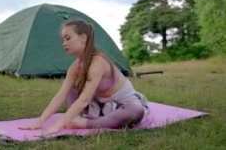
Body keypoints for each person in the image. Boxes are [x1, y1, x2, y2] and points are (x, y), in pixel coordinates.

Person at [19, 19, 149, 136]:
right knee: (71, 87)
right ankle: (77, 117)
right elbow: (61, 95)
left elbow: (85, 100)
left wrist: (57, 125)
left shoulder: (98, 62)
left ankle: (84, 123)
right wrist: (40, 121)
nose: (64, 43)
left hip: (123, 106)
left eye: (68, 38)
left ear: (83, 38)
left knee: (136, 110)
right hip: (100, 105)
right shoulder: (75, 67)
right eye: (63, 39)